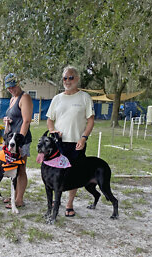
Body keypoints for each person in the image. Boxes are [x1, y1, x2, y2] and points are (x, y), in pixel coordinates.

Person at [45, 65, 95, 217]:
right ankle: (56, 200)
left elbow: (91, 120)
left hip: (76, 143)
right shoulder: (57, 98)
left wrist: (84, 137)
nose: (67, 81)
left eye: (71, 77)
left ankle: (69, 204)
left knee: (73, 173)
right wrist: (52, 130)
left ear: (77, 79)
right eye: (65, 78)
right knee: (56, 172)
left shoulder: (84, 97)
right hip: (58, 143)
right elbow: (49, 120)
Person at [3, 73, 33, 209]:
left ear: (18, 83)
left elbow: (26, 121)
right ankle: (14, 195)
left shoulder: (24, 97)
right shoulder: (12, 98)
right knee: (13, 168)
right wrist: (7, 121)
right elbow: (14, 117)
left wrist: (19, 142)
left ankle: (19, 199)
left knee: (21, 168)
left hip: (21, 140)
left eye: (13, 86)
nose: (11, 89)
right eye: (8, 87)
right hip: (11, 141)